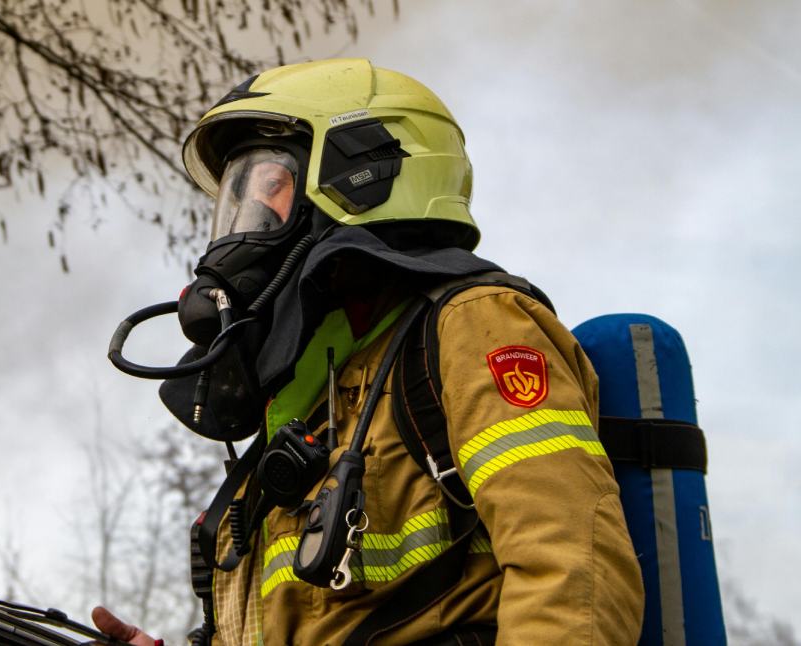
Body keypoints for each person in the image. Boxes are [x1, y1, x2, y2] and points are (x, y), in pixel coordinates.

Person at [97, 58, 644, 645]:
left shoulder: (473, 325)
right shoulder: (313, 395)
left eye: (270, 187)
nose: (245, 224)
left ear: (363, 173)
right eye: (237, 200)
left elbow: (572, 568)